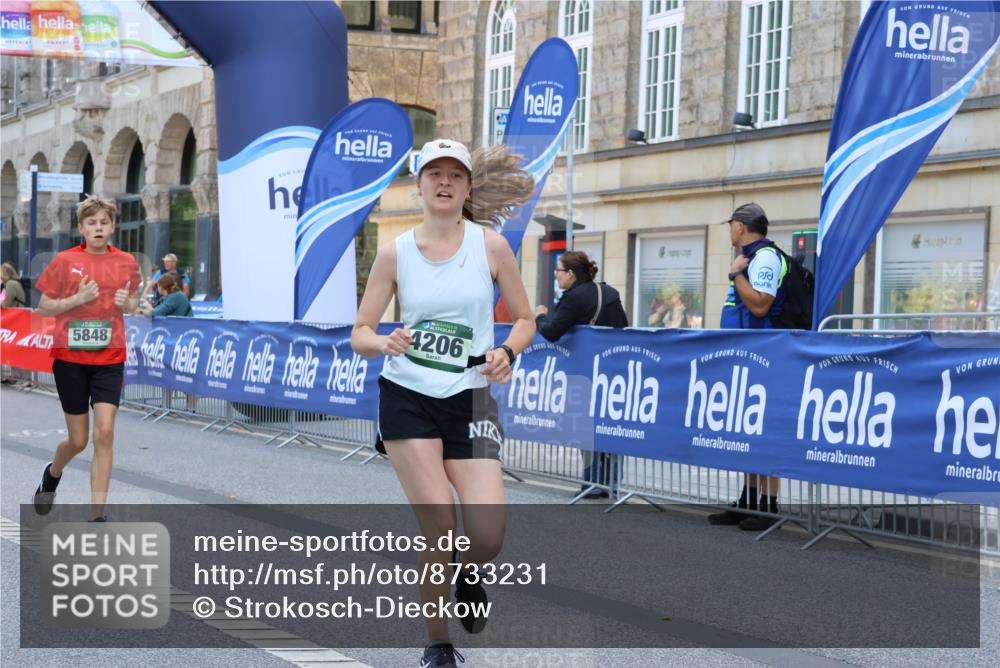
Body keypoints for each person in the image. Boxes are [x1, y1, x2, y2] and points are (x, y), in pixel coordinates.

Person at [351, 138, 535, 668]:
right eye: (435, 173)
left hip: (472, 397)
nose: (445, 181)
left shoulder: (491, 247)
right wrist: (383, 341)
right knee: (440, 521)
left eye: (455, 174)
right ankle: (438, 643)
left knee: (487, 533)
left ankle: (469, 568)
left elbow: (525, 319)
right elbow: (359, 331)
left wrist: (506, 351)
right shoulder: (395, 252)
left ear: (467, 187)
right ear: (420, 184)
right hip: (408, 397)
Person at [31, 195, 140, 522]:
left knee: (104, 432)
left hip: (110, 357)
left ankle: (97, 516)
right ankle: (53, 472)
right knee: (78, 440)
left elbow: (133, 304)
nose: (98, 228)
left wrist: (128, 303)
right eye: (91, 223)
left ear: (112, 226)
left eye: (103, 222)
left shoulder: (126, 262)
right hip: (70, 358)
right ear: (81, 228)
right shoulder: (64, 261)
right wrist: (78, 298)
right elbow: (44, 306)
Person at [709, 203, 784, 532]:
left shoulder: (764, 257)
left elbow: (760, 304)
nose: (730, 231)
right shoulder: (750, 256)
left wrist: (736, 274)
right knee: (746, 430)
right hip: (744, 356)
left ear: (740, 226)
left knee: (763, 431)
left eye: (731, 225)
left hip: (762, 357)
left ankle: (768, 507)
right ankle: (748, 500)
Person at [534, 250, 628, 499]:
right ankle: (612, 483)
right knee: (610, 425)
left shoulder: (573, 298)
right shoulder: (609, 292)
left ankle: (592, 482)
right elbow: (624, 328)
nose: (556, 276)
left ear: (571, 274)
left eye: (559, 271)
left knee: (587, 427)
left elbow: (553, 332)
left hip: (585, 372)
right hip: (614, 371)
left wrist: (539, 318)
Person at [139, 273, 197, 411]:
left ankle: (190, 408)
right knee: (169, 372)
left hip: (183, 340)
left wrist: (140, 310)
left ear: (161, 286)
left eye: (157, 286)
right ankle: (167, 405)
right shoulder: (170, 297)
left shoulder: (176, 297)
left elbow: (154, 313)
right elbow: (153, 309)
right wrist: (144, 300)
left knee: (185, 374)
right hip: (174, 339)